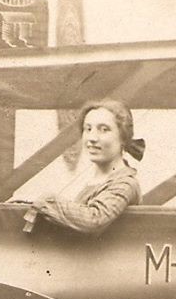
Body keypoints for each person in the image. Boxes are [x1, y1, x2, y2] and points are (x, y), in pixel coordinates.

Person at [23, 99, 144, 234]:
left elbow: (94, 219)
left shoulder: (125, 183)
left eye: (104, 129)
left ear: (123, 138)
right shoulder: (97, 181)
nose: (92, 138)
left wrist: (46, 201)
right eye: (88, 129)